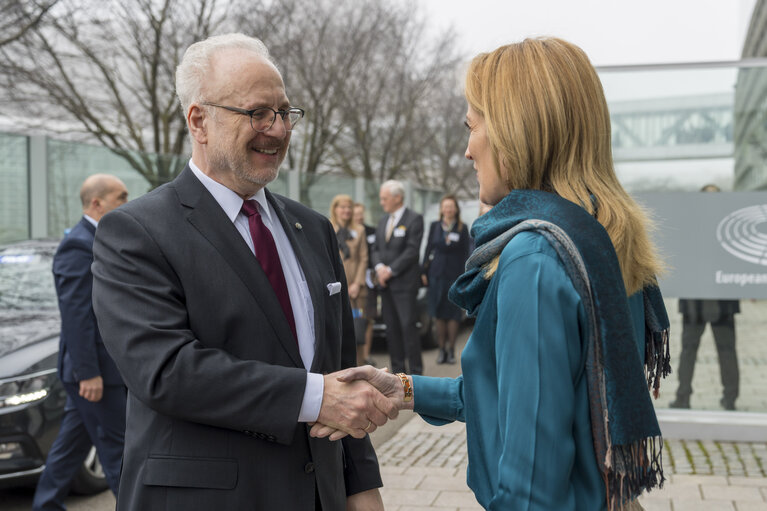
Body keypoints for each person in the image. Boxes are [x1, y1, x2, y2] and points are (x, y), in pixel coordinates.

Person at [324, 38, 671, 510]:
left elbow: (530, 490)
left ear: (515, 131)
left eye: (472, 126)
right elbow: (513, 396)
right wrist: (405, 388)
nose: (468, 150)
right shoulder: (600, 235)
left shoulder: (534, 257)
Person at [90, 33, 395, 511]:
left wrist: (362, 490)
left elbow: (341, 377)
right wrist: (315, 397)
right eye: (257, 113)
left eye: (285, 113)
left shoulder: (313, 228)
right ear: (199, 121)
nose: (277, 129)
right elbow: (165, 370)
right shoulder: (135, 231)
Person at [33, 174, 128, 511]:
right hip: (95, 375)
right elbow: (76, 315)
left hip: (96, 374)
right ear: (97, 203)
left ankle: (45, 506)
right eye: (121, 197)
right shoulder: (79, 244)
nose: (126, 204)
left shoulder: (98, 239)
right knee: (120, 455)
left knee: (69, 448)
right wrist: (89, 373)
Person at [670, 184, 740, 411]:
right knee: (693, 350)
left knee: (722, 351)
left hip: (715, 301)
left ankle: (727, 398)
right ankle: (686, 396)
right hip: (700, 301)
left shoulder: (703, 228)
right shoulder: (724, 229)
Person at [370, 180, 425, 375]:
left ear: (398, 197)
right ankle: (398, 375)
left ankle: (417, 376)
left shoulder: (414, 219)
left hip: (404, 285)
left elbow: (412, 251)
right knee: (392, 331)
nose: (382, 202)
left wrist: (390, 270)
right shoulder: (383, 220)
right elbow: (375, 248)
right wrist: (378, 268)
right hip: (385, 286)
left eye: (384, 198)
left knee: (408, 329)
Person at [422, 194, 471, 364]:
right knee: (438, 313)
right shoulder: (435, 226)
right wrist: (423, 270)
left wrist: (465, 274)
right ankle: (441, 350)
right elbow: (429, 247)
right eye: (445, 206)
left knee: (453, 314)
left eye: (451, 206)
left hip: (454, 274)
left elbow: (466, 252)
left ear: (456, 209)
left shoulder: (462, 227)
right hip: (436, 274)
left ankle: (451, 350)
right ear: (441, 209)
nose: (448, 209)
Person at [329, 194, 369, 366]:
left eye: (349, 207)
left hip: (355, 291)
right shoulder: (327, 227)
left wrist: (357, 284)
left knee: (356, 328)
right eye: (342, 207)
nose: (346, 210)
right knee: (336, 330)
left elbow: (363, 258)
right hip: (334, 288)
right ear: (335, 209)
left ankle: (359, 366)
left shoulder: (359, 230)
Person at [354, 201, 377, 366]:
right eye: (356, 214)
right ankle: (357, 357)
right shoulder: (347, 233)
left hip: (370, 284)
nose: (359, 216)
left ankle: (366, 355)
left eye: (361, 213)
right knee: (357, 318)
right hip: (355, 285)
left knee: (369, 319)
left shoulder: (372, 231)